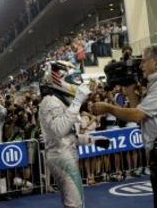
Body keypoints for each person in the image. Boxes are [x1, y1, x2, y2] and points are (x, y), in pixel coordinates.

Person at [93, 44, 157, 208]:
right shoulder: (156, 84)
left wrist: (108, 108)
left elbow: (138, 115)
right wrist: (131, 91)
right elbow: (140, 113)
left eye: (144, 61)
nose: (140, 66)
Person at [39, 60, 109, 208]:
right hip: (61, 156)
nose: (77, 83)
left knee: (74, 201)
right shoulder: (50, 101)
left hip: (64, 153)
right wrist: (77, 101)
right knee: (75, 203)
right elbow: (59, 130)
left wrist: (93, 140)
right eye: (72, 79)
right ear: (58, 79)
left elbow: (70, 137)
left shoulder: (59, 101)